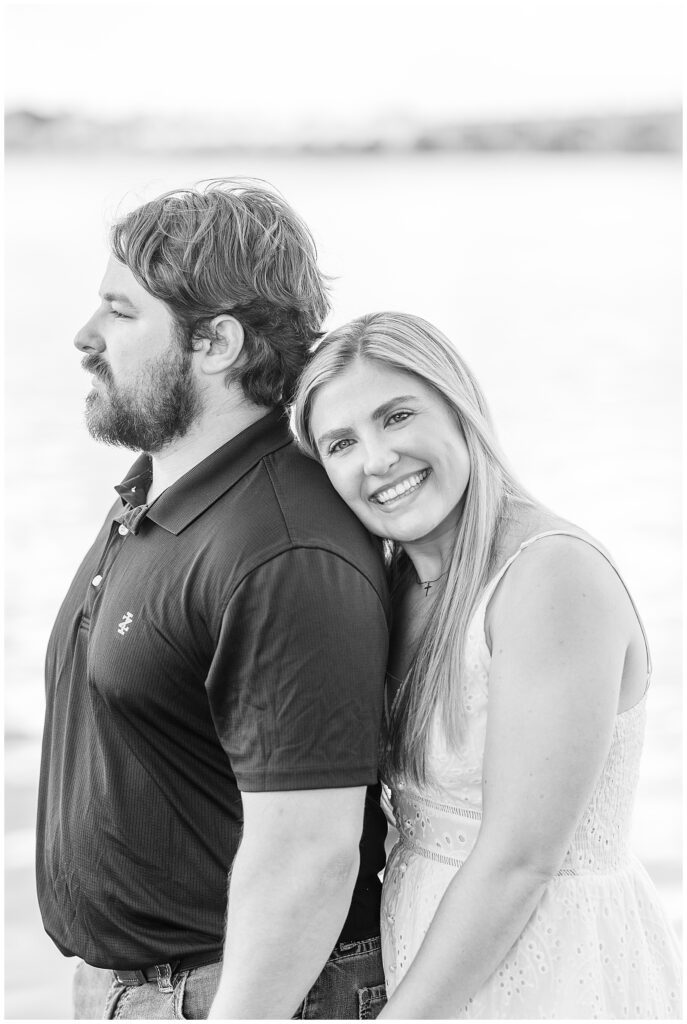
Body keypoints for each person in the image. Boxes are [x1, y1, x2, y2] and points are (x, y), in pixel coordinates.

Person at [36, 180, 391, 1020]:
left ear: (216, 342)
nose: (85, 338)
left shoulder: (281, 546)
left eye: (120, 314)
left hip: (236, 995)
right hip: (143, 989)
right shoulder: (165, 489)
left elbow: (309, 853)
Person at [292, 311, 682, 1019]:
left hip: (551, 966)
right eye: (341, 442)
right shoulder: (396, 584)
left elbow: (517, 861)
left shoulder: (549, 576)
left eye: (397, 416)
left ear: (460, 407)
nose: (376, 459)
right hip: (432, 958)